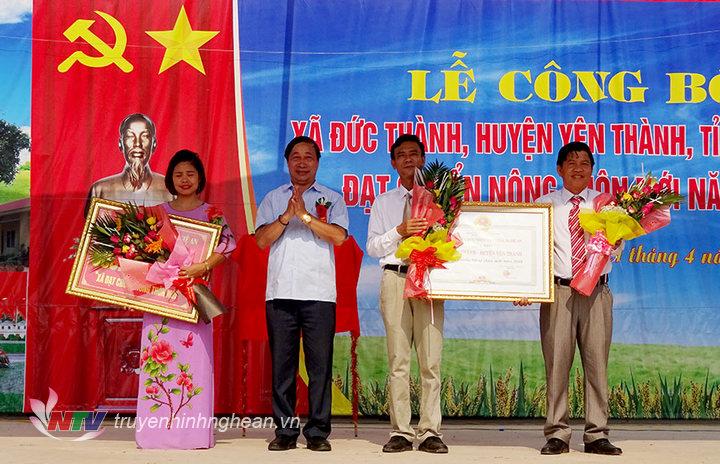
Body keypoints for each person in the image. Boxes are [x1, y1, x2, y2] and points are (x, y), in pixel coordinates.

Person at [519, 141, 622, 456]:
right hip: (558, 292)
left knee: (597, 364)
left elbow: (617, 249)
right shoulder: (544, 205)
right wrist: (525, 286)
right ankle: (557, 434)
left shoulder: (606, 205)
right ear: (559, 169)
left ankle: (597, 434)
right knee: (557, 364)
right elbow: (531, 251)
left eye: (585, 163)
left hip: (596, 292)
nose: (579, 168)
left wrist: (615, 239)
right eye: (572, 163)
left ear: (593, 170)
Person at [135, 149, 236, 449]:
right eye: (178, 174)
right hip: (160, 300)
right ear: (170, 179)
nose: (184, 179)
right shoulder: (156, 213)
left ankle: (193, 434)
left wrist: (203, 266)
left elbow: (227, 245)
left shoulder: (212, 214)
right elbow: (140, 251)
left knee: (195, 364)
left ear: (200, 178)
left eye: (190, 174)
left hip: (194, 297)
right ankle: (155, 433)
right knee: (158, 363)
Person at [255, 136, 348, 452]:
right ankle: (285, 431)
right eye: (296, 157)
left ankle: (318, 431)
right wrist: (286, 216)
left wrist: (306, 216)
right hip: (280, 292)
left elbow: (338, 237)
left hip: (319, 293)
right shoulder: (273, 198)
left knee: (320, 366)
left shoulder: (331, 198)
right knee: (282, 366)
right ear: (287, 162)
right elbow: (261, 240)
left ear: (318, 163)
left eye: (309, 156)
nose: (302, 162)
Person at [366, 134, 448, 454]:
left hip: (429, 281)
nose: (409, 159)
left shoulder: (440, 199)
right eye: (402, 155)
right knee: (398, 360)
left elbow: (452, 240)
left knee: (430, 360)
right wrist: (399, 231)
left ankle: (429, 431)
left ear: (423, 159)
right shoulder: (384, 201)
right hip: (395, 279)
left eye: (414, 154)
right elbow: (373, 247)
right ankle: (400, 430)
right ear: (393, 162)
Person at [86, 113, 173, 212]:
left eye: (145, 136)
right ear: (120, 143)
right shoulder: (100, 190)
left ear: (154, 144)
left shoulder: (170, 189)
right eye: (130, 136)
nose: (137, 143)